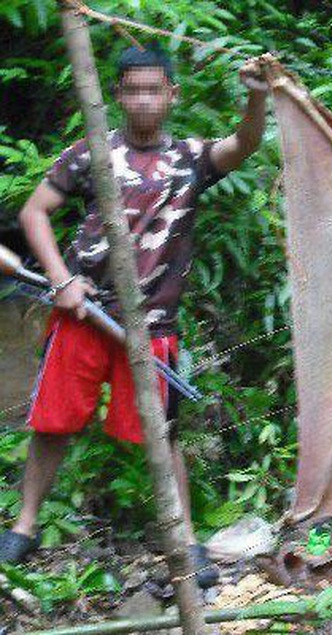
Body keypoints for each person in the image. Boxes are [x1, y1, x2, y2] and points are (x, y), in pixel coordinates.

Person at [0, 43, 269, 588]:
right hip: (84, 315)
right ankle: (22, 530)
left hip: (151, 326)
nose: (144, 100)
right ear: (119, 95)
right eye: (134, 89)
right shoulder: (90, 153)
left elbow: (244, 144)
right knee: (53, 423)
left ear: (172, 95)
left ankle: (186, 541)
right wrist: (62, 279)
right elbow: (34, 213)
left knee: (162, 430)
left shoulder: (192, 157)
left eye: (155, 89)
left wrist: (257, 98)